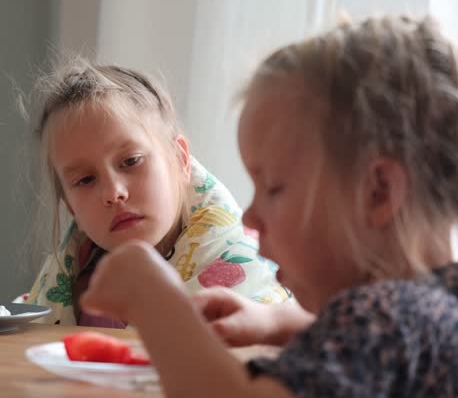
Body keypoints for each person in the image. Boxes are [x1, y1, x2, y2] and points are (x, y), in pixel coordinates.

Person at [80, 15, 458, 396]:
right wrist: (276, 322)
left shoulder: (392, 321)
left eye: (274, 189)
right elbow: (376, 350)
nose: (250, 217)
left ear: (378, 194)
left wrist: (155, 300)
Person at [22, 60, 290, 327]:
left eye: (131, 161)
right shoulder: (77, 294)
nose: (114, 193)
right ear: (70, 206)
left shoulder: (256, 294)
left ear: (180, 159)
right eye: (85, 180)